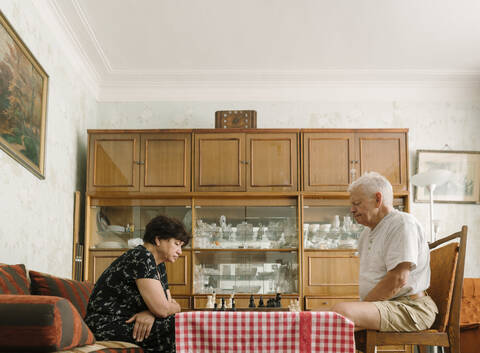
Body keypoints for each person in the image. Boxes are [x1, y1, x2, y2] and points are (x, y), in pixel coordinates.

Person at [331, 172, 438, 332]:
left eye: (357, 203)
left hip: (410, 308)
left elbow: (398, 279)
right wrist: (360, 309)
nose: (352, 210)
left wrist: (360, 308)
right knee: (317, 314)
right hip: (386, 304)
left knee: (339, 314)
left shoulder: (402, 223)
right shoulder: (366, 233)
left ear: (378, 199)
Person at [85, 215, 191, 353]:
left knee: (177, 322)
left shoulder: (159, 265)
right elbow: (164, 309)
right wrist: (160, 310)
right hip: (105, 324)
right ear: (158, 240)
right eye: (177, 244)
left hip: (127, 320)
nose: (180, 251)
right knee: (177, 327)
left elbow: (168, 305)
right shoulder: (141, 257)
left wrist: (151, 313)